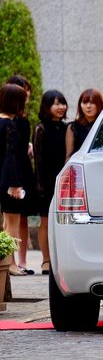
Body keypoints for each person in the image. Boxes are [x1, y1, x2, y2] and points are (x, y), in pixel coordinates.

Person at [33, 90, 68, 275]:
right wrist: (39, 185)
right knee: (45, 222)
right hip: (45, 182)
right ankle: (46, 260)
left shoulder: (66, 128)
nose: (61, 107)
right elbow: (38, 160)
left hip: (63, 180)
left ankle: (60, 260)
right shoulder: (41, 128)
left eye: (62, 103)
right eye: (56, 103)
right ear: (47, 106)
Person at [6, 75, 37, 275]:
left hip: (22, 169)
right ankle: (10, 262)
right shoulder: (7, 120)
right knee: (11, 220)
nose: (26, 93)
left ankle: (21, 261)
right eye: (22, 89)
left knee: (21, 218)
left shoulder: (23, 118)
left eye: (26, 89)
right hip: (11, 172)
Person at [0, 84, 28, 276]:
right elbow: (11, 157)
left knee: (5, 223)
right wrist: (16, 184)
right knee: (12, 223)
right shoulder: (10, 125)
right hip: (9, 181)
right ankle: (10, 263)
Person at [65, 88, 103, 162]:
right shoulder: (73, 127)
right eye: (85, 102)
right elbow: (68, 157)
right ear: (80, 105)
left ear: (99, 104)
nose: (88, 106)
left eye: (92, 103)